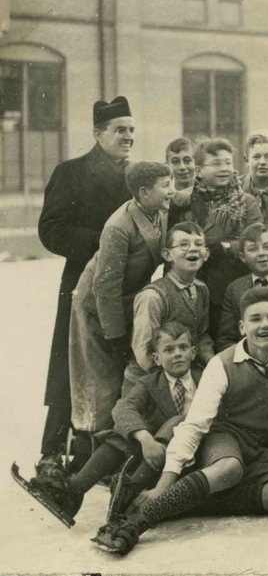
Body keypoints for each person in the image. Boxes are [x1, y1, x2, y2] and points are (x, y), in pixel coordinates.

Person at [90, 287, 268, 555]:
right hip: (226, 436)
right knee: (229, 468)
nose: (265, 325)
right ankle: (140, 521)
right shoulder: (221, 364)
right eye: (255, 319)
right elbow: (193, 427)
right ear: (242, 327)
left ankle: (186, 502)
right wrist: (163, 485)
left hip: (265, 447)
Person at [20, 322, 202, 527]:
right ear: (156, 358)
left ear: (193, 352)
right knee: (120, 436)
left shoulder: (205, 379)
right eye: (169, 350)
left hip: (189, 458)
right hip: (154, 454)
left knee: (176, 422)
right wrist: (145, 439)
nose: (177, 354)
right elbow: (122, 408)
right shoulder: (150, 383)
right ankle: (74, 490)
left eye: (183, 347)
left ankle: (129, 492)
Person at [37, 96, 134, 468]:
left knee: (117, 364)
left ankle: (100, 456)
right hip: (80, 281)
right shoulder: (71, 172)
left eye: (131, 130)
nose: (128, 136)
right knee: (68, 365)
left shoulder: (135, 176)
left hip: (125, 286)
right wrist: (104, 243)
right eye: (120, 130)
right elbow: (51, 229)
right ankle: (51, 452)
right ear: (98, 133)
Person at [68, 162, 173, 438]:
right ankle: (92, 445)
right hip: (97, 307)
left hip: (124, 301)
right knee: (102, 379)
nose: (172, 191)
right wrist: (116, 337)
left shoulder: (158, 209)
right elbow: (105, 287)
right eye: (166, 186)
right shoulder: (118, 226)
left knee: (119, 376)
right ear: (144, 192)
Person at [182, 138, 264, 336]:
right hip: (194, 284)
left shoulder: (246, 202)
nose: (224, 168)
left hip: (233, 284)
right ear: (199, 171)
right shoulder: (186, 202)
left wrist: (225, 247)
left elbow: (257, 240)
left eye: (228, 162)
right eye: (216, 163)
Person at [129, 222, 214, 389]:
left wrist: (213, 364)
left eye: (198, 244)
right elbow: (144, 352)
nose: (193, 249)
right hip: (149, 382)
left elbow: (201, 335)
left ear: (206, 254)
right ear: (167, 255)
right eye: (184, 244)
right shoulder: (153, 297)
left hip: (184, 375)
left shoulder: (202, 289)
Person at [165, 137, 196, 228]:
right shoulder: (163, 196)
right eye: (175, 162)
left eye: (187, 161)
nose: (182, 167)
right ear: (167, 166)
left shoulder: (206, 195)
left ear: (196, 163)